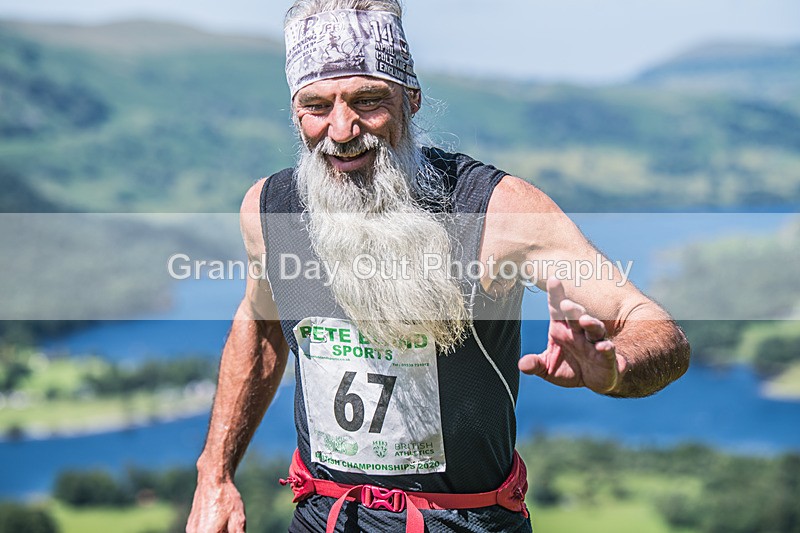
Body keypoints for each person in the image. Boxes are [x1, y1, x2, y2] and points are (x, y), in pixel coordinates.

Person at [186, 1, 690, 531]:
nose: (340, 129)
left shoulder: (497, 211)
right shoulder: (271, 209)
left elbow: (655, 328)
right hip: (323, 519)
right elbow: (261, 324)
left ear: (412, 99)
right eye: (316, 106)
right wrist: (214, 474)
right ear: (296, 113)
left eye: (367, 100)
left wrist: (616, 370)